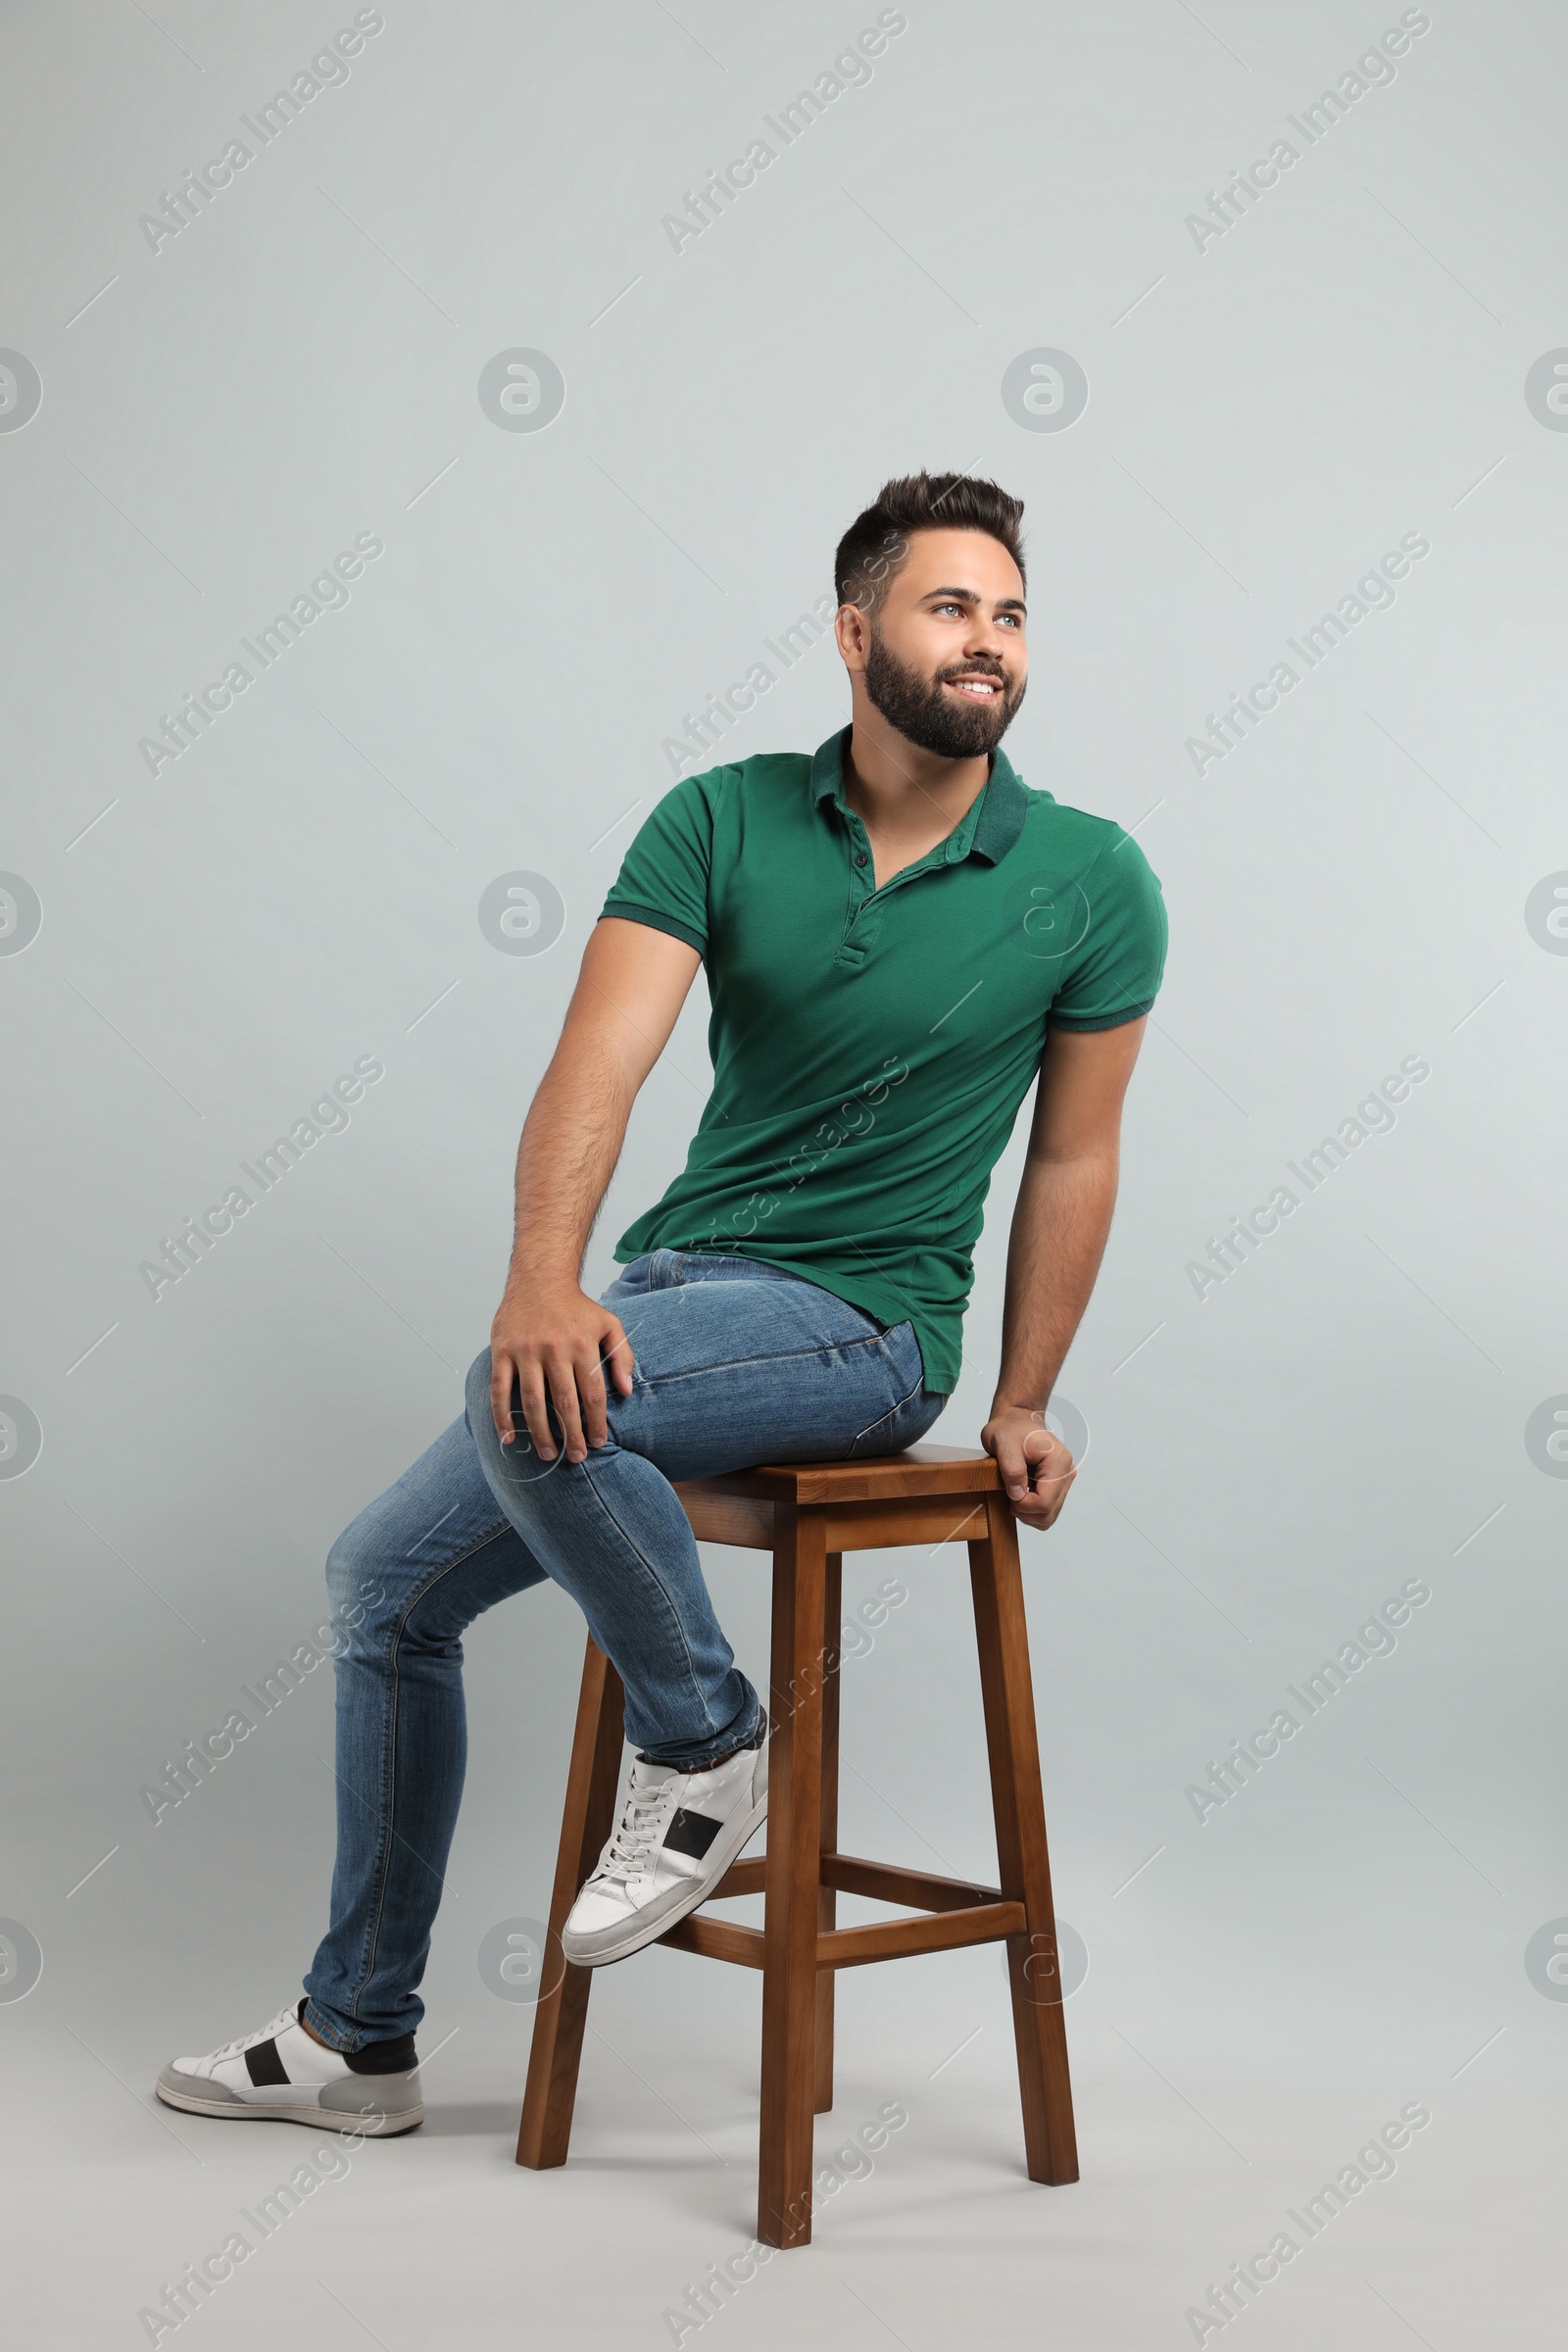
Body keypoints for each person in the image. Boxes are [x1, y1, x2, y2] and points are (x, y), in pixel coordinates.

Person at [155, 470, 1167, 2135]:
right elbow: (599, 1060)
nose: (987, 640)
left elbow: (1074, 1159)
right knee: (380, 1583)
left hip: (864, 1323)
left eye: (1009, 611)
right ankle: (363, 2034)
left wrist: (1025, 1394)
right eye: (948, 606)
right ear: (857, 634)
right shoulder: (720, 815)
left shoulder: (1090, 876)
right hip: (681, 1286)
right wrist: (546, 1282)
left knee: (523, 1401)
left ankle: (700, 1742)